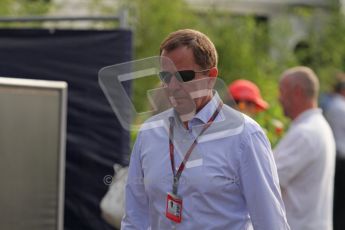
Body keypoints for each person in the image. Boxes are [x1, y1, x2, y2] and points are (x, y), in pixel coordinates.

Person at [121, 29, 290, 229]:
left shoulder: (245, 136)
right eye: (166, 76)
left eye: (183, 76)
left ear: (211, 76)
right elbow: (134, 218)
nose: (173, 86)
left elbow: (270, 223)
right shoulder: (149, 132)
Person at [273, 66, 336, 230]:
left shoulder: (305, 133)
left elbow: (268, 179)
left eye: (282, 91)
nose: (279, 98)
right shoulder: (317, 127)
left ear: (297, 92)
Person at [324, 73, 345, 230]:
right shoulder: (340, 107)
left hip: (337, 156)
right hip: (341, 158)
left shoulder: (333, 105)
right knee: (340, 204)